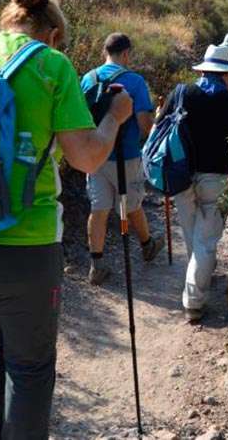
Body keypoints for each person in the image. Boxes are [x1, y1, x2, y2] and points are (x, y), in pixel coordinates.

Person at [0, 0, 133, 439]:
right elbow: (86, 157)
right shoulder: (51, 65)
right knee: (30, 366)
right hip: (23, 246)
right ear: (53, 34)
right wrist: (114, 118)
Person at [160, 45, 228, 323]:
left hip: (180, 174)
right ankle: (194, 302)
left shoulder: (182, 93)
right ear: (226, 75)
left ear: (202, 70)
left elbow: (159, 128)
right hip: (215, 178)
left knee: (193, 234)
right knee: (206, 241)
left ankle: (198, 278)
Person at [81, 33, 163, 285]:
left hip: (95, 154)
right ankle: (147, 245)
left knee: (99, 207)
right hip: (126, 155)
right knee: (131, 204)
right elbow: (145, 124)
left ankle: (96, 265)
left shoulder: (88, 78)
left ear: (105, 52)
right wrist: (157, 118)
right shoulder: (135, 81)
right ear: (126, 53)